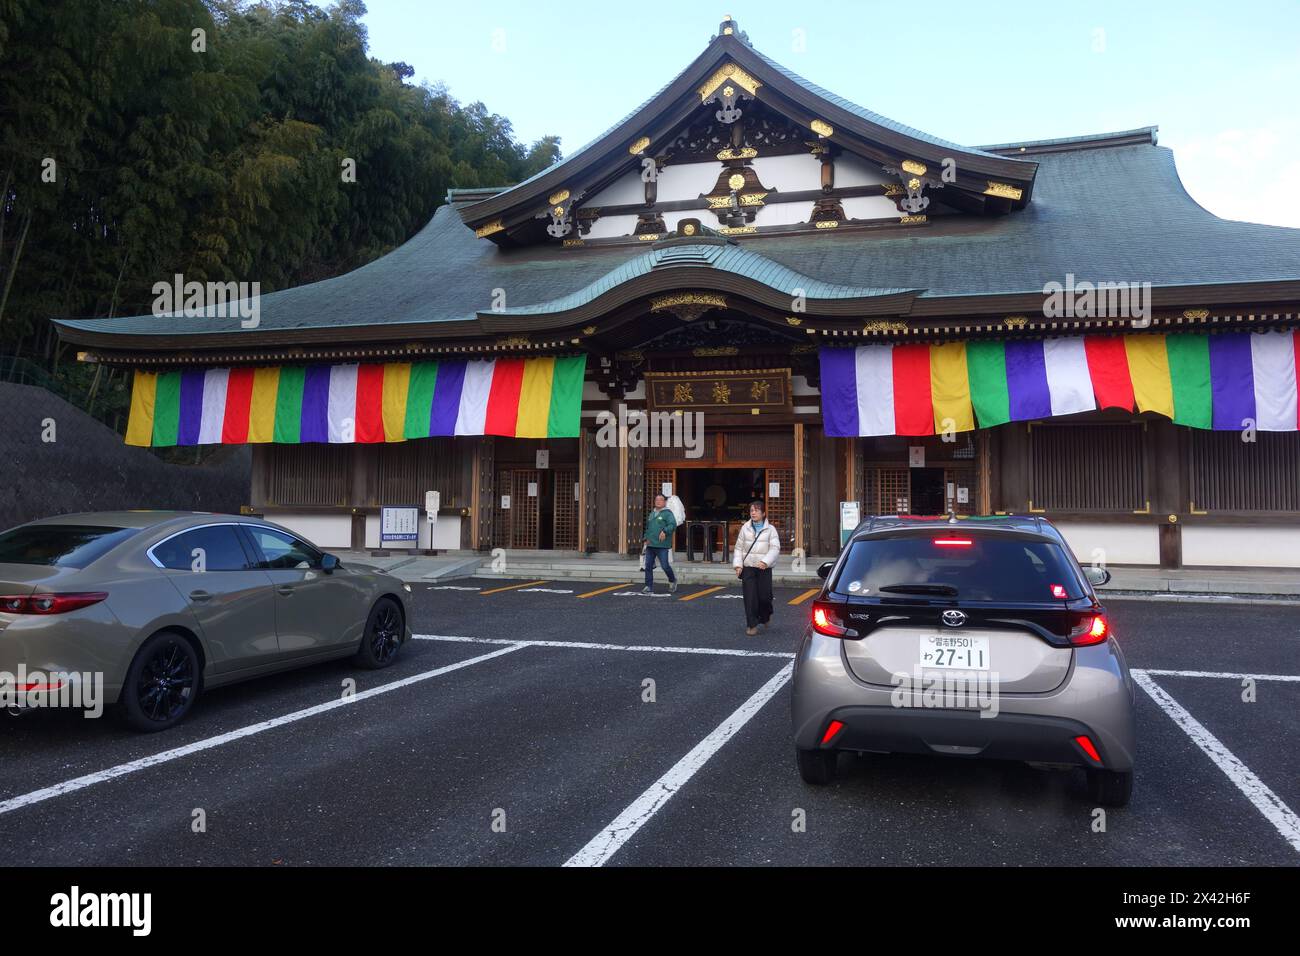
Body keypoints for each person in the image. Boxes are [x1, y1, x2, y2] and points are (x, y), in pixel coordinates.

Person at [733, 499, 780, 635]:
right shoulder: (745, 528)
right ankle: (752, 625)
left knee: (765, 597)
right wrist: (738, 565)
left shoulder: (771, 530)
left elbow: (775, 548)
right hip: (748, 567)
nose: (753, 513)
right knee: (750, 597)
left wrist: (765, 561)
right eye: (751, 510)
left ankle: (766, 615)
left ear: (763, 513)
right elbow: (738, 548)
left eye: (756, 510)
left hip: (764, 568)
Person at [642, 493, 678, 593]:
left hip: (662, 545)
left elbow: (672, 525)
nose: (658, 501)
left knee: (665, 565)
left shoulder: (667, 513)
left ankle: (672, 580)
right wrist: (645, 538)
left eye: (660, 500)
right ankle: (648, 586)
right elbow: (648, 528)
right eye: (656, 499)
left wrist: (665, 531)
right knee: (648, 566)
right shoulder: (652, 514)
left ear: (665, 502)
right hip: (650, 544)